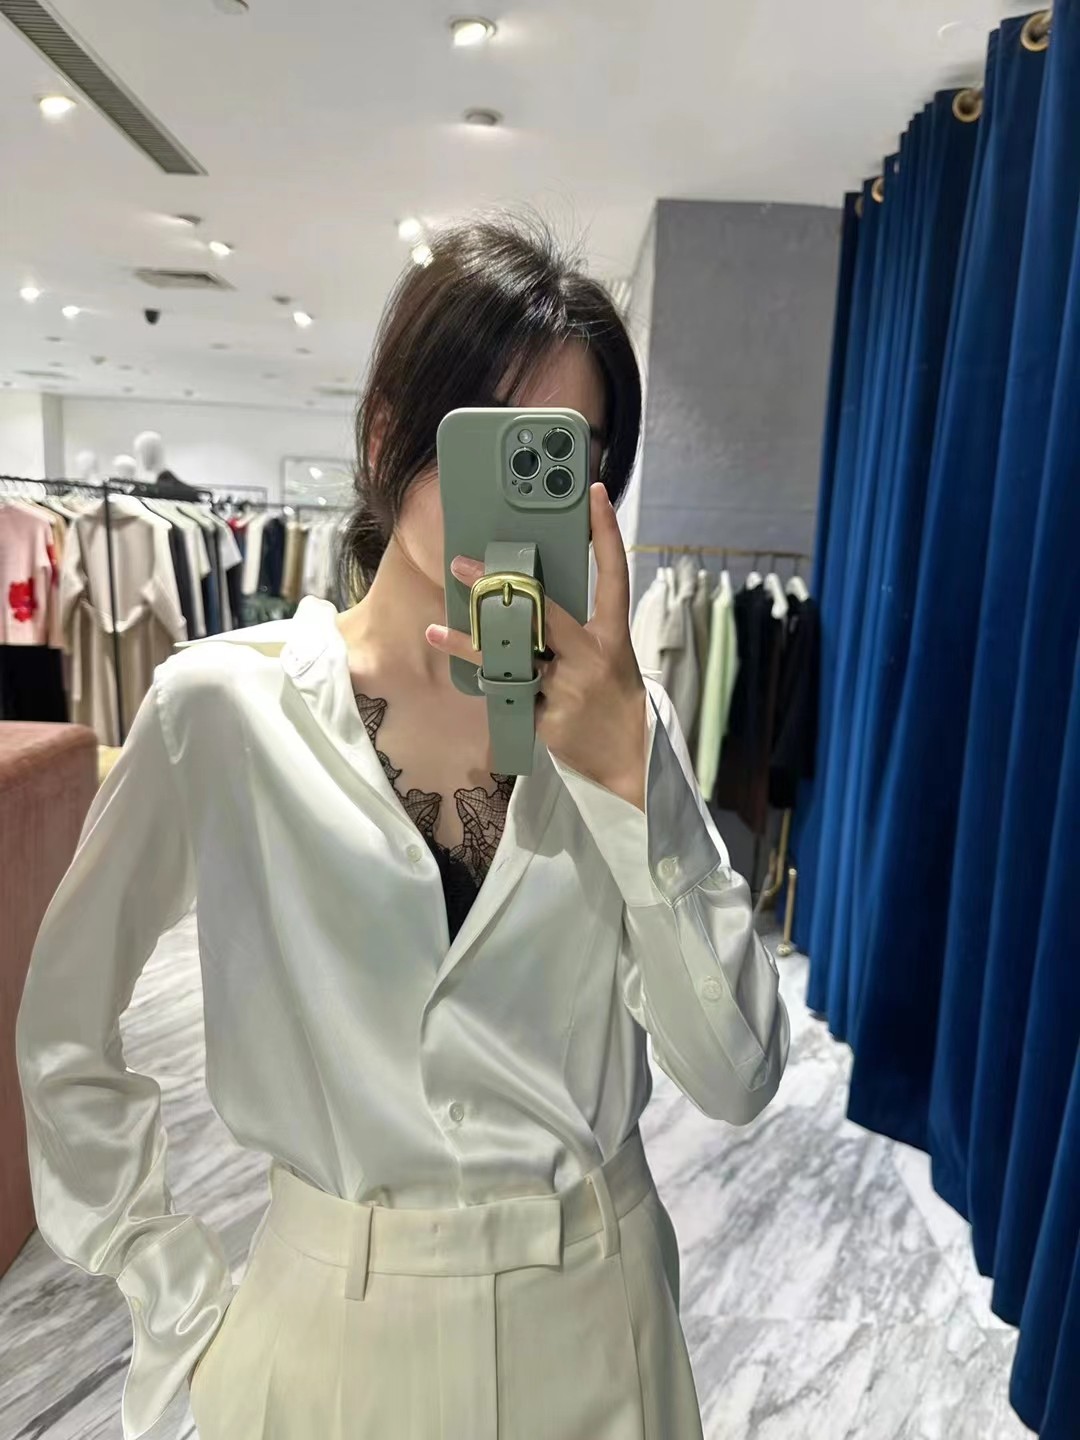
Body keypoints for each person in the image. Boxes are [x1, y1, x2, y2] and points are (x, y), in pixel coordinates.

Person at [16, 213, 790, 1440]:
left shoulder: (621, 727)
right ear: (388, 434)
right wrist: (174, 1310)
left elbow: (737, 1074)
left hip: (598, 1325)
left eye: (566, 454)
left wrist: (629, 785)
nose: (524, 487)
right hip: (325, 1339)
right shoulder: (224, 711)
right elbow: (62, 1026)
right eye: (490, 436)